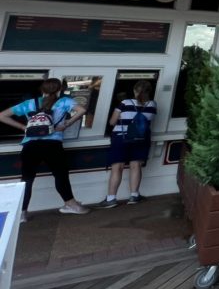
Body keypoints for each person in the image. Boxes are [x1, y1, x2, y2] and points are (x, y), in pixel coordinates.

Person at [0, 77, 90, 222]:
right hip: (52, 144)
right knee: (60, 175)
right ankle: (72, 205)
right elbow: (82, 110)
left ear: (42, 89)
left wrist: (23, 127)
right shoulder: (64, 102)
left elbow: (2, 115)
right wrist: (67, 123)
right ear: (60, 89)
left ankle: (22, 213)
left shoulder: (29, 103)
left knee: (27, 179)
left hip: (30, 145)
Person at [101, 79, 156, 208]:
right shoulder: (153, 104)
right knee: (136, 166)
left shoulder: (125, 103)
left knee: (117, 167)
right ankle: (134, 196)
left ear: (134, 90)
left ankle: (111, 199)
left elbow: (112, 122)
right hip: (141, 138)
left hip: (121, 138)